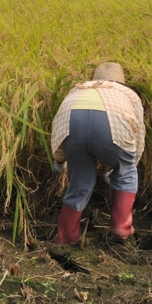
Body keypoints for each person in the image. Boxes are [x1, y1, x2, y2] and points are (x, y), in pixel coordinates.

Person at [50, 63, 144, 244]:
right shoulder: (128, 94)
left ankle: (67, 235)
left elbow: (59, 123)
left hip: (72, 128)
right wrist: (129, 164)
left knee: (80, 180)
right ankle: (121, 227)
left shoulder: (77, 90)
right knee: (125, 172)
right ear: (121, 82)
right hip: (110, 127)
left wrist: (60, 160)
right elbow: (138, 137)